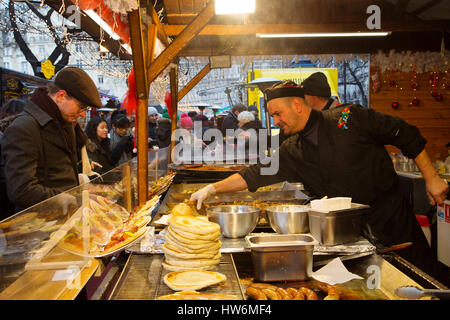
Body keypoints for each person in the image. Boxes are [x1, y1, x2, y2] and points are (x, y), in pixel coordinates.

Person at [191, 80, 449, 283]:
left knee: (420, 284)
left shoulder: (348, 118)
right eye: (272, 116)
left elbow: (404, 133)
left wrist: (432, 177)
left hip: (393, 222)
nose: (275, 121)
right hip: (350, 236)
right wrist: (212, 188)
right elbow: (254, 174)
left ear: (298, 106)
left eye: (277, 114)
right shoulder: (292, 149)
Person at [1, 67, 102, 211]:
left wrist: (80, 193)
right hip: (40, 226)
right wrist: (59, 198)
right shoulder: (23, 128)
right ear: (61, 96)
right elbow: (21, 190)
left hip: (66, 218)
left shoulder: (64, 123)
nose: (82, 114)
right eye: (81, 107)